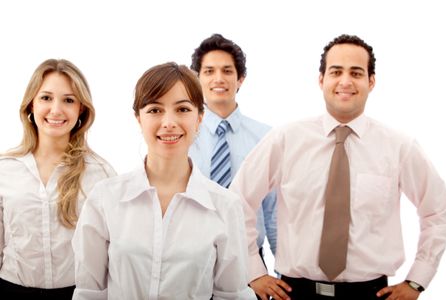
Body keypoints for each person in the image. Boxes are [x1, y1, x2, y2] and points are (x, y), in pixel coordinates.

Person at [230, 34, 446, 300]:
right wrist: (254, 271)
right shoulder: (285, 139)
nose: (345, 81)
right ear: (321, 80)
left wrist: (417, 280)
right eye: (336, 71)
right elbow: (236, 201)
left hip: (372, 293)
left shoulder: (399, 147)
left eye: (356, 73)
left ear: (371, 82)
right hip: (293, 293)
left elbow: (438, 211)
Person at [71, 62, 256, 300]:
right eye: (155, 110)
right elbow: (89, 293)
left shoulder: (225, 206)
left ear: (200, 118)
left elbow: (232, 296)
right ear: (138, 119)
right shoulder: (105, 199)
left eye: (182, 110)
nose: (169, 122)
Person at [0, 59, 116, 300]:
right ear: (31, 104)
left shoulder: (101, 173)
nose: (56, 110)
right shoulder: (5, 169)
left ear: (81, 109)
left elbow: (112, 254)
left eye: (68, 100)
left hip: (77, 294)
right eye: (46, 98)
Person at [189, 33, 277, 268]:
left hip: (249, 262)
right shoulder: (181, 135)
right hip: (189, 260)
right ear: (196, 79)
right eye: (209, 71)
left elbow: (275, 209)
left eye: (227, 71)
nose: (219, 79)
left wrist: (282, 273)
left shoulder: (266, 137)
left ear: (241, 79)